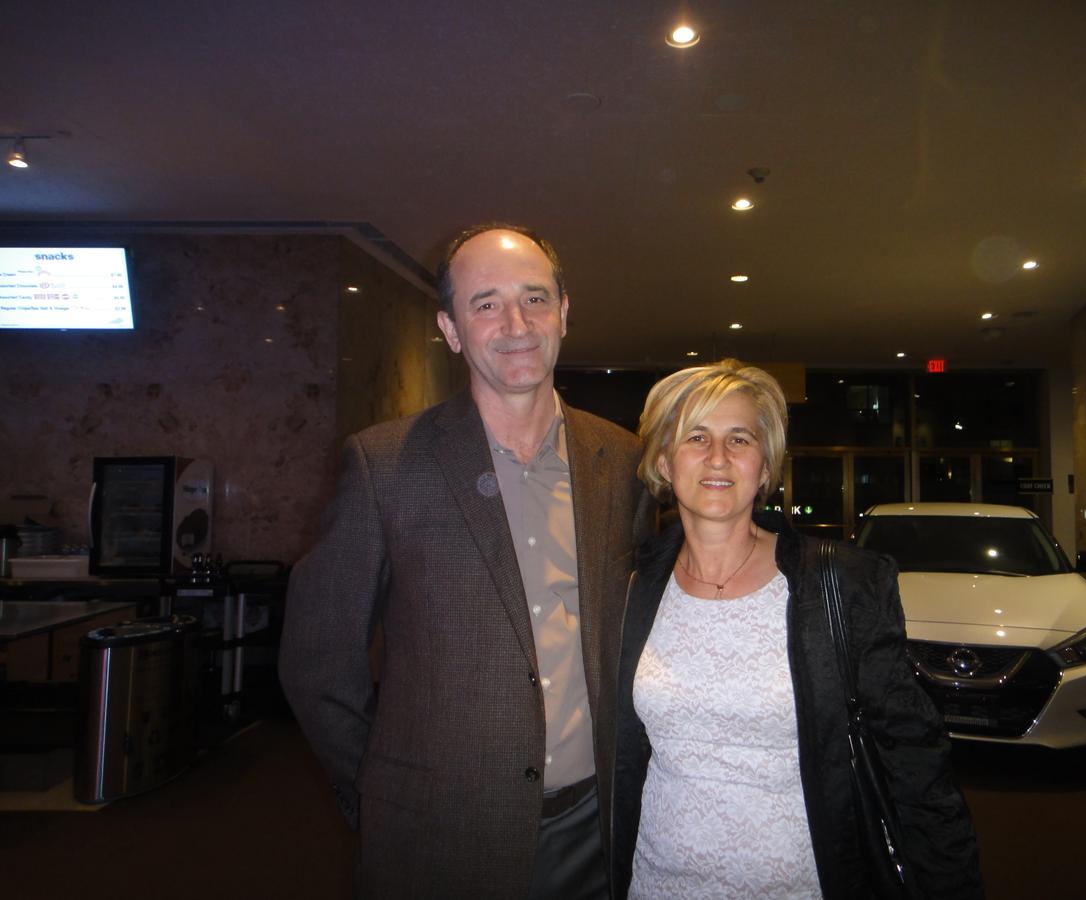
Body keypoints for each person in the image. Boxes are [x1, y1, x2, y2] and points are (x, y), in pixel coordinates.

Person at [280, 223, 655, 899]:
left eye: (535, 298)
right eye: (486, 304)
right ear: (451, 329)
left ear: (564, 312)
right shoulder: (384, 465)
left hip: (595, 828)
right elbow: (318, 659)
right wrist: (380, 795)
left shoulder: (623, 461)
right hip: (436, 837)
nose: (517, 323)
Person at [610, 359, 982, 899]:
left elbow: (915, 759)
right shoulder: (633, 586)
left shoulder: (841, 585)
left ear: (765, 467)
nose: (718, 456)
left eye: (739, 438)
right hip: (656, 884)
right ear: (664, 462)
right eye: (696, 436)